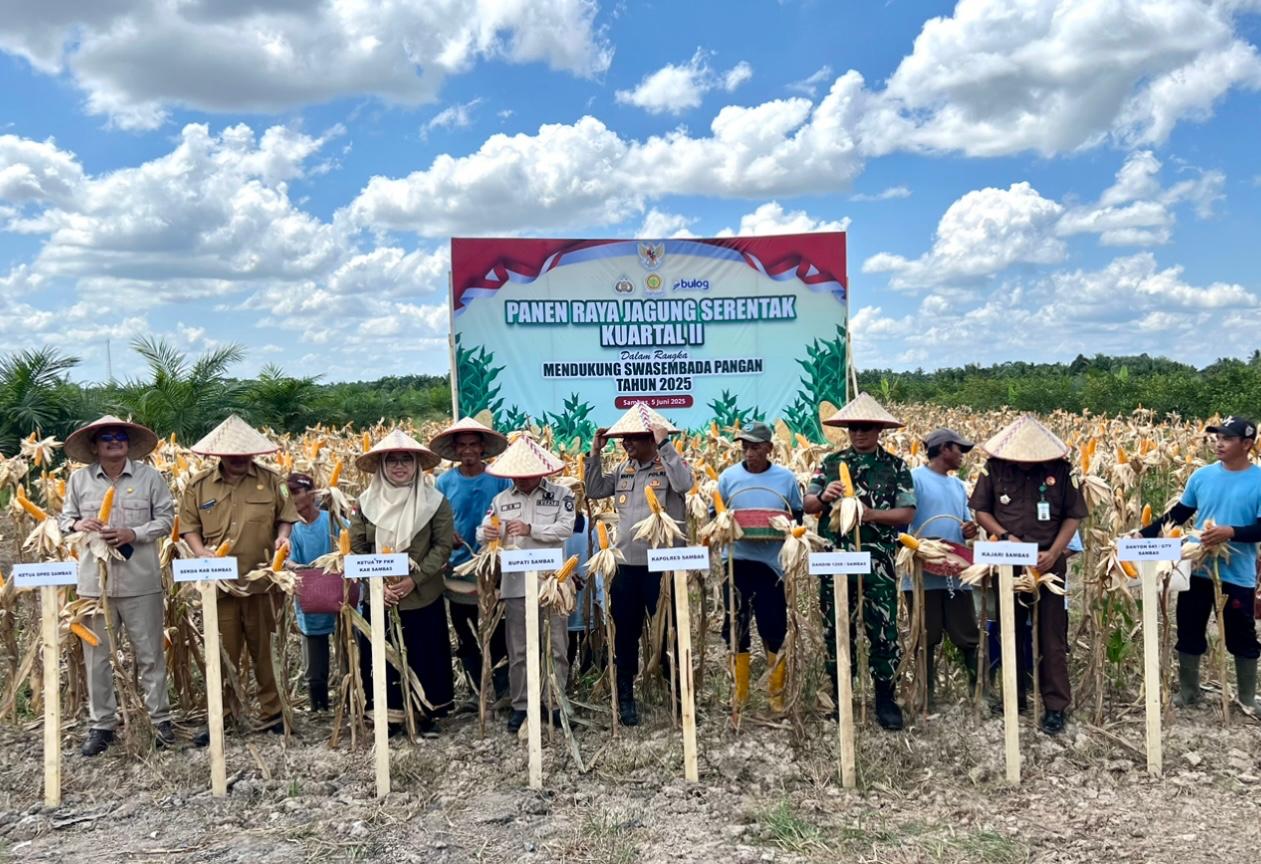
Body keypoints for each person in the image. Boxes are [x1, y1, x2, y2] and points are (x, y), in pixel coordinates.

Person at [59, 416, 175, 755]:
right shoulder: (79, 481)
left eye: (119, 436)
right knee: (97, 659)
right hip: (95, 586)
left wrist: (132, 533)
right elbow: (64, 521)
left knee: (151, 654)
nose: (113, 441)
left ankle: (160, 721)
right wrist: (79, 522)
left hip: (141, 580)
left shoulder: (150, 478)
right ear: (94, 446)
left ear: (127, 443)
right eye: (106, 437)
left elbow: (167, 520)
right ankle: (102, 726)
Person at [182, 415, 298, 744]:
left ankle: (273, 714)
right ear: (218, 454)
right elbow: (189, 525)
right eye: (230, 454)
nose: (237, 458)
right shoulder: (199, 485)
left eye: (243, 453)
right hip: (218, 585)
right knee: (222, 652)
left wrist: (283, 538)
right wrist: (200, 550)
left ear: (252, 453)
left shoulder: (273, 481)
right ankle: (222, 715)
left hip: (261, 579)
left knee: (266, 650)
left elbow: (285, 517)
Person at [969, 415, 1086, 735]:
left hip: (1048, 564)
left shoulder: (1061, 471)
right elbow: (981, 511)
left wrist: (1056, 551)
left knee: (1052, 635)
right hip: (1007, 562)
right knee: (1009, 631)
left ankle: (1055, 706)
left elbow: (1074, 516)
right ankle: (1013, 697)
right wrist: (1005, 537)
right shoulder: (994, 469)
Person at [806, 393, 916, 731]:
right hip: (837, 561)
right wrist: (824, 497)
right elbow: (807, 504)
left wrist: (870, 515)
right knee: (837, 629)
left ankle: (885, 698)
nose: (859, 433)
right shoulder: (829, 464)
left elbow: (907, 512)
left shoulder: (896, 467)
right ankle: (842, 697)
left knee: (883, 631)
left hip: (876, 562)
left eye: (866, 428)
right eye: (854, 428)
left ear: (879, 429)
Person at [1140, 416, 1261, 711]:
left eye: (1227, 438)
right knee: (1189, 628)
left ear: (1247, 444)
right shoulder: (1202, 476)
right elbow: (1179, 514)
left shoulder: (1259, 480)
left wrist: (1231, 532)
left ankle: (1246, 698)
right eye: (1217, 437)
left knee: (1241, 634)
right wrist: (1140, 535)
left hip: (1237, 573)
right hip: (1195, 568)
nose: (1218, 443)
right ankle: (1189, 691)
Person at [584, 402, 692, 726]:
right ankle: (626, 697)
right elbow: (593, 489)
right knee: (625, 635)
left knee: (669, 633)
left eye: (632, 438)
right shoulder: (622, 470)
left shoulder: (669, 467)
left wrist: (665, 444)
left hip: (662, 567)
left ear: (650, 439)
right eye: (623, 439)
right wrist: (595, 453)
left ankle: (679, 696)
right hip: (625, 567)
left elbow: (686, 484)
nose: (625, 444)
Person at [352, 429, 455, 735]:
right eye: (392, 461)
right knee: (381, 655)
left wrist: (414, 579)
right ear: (382, 466)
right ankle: (388, 716)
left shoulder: (435, 501)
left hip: (421, 594)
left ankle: (426, 714)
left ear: (417, 466)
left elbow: (442, 546)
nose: (399, 467)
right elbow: (357, 546)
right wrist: (377, 584)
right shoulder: (365, 503)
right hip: (380, 595)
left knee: (424, 652)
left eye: (406, 461)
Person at [476, 435, 575, 732]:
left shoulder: (561, 494)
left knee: (556, 646)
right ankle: (521, 705)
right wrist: (487, 535)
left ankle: (555, 703)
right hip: (516, 585)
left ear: (542, 469)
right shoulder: (501, 501)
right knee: (519, 649)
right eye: (516, 472)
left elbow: (565, 528)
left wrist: (532, 529)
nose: (521, 477)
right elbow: (484, 531)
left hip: (552, 585)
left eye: (527, 471)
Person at [715, 421, 804, 713]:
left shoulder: (785, 479)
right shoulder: (728, 478)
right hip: (737, 561)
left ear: (769, 449)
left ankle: (776, 694)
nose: (749, 452)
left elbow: (797, 518)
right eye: (745, 446)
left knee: (773, 625)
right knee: (736, 624)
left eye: (755, 447)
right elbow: (718, 518)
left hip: (772, 564)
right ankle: (739, 692)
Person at [430, 417, 511, 705]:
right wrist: (445, 534)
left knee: (498, 631)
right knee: (466, 633)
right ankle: (477, 691)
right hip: (458, 566)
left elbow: (509, 511)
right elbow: (436, 517)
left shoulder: (499, 478)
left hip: (494, 566)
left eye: (473, 445)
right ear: (455, 449)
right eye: (462, 445)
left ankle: (503, 690)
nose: (468, 451)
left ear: (482, 448)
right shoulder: (444, 481)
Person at [903, 428, 981, 705]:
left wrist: (969, 530)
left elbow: (964, 524)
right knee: (925, 635)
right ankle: (925, 695)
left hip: (956, 571)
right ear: (945, 448)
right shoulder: (914, 479)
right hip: (921, 575)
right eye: (960, 449)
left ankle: (977, 691)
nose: (962, 456)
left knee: (967, 634)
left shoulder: (959, 486)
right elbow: (904, 522)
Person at [284, 472, 346, 712]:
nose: (292, 498)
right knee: (314, 647)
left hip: (339, 589)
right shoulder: (291, 529)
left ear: (311, 493)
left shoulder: (331, 521)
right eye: (288, 494)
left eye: (296, 492)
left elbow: (348, 540)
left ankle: (353, 694)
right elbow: (286, 558)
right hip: (309, 591)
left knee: (348, 641)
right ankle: (318, 704)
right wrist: (296, 567)